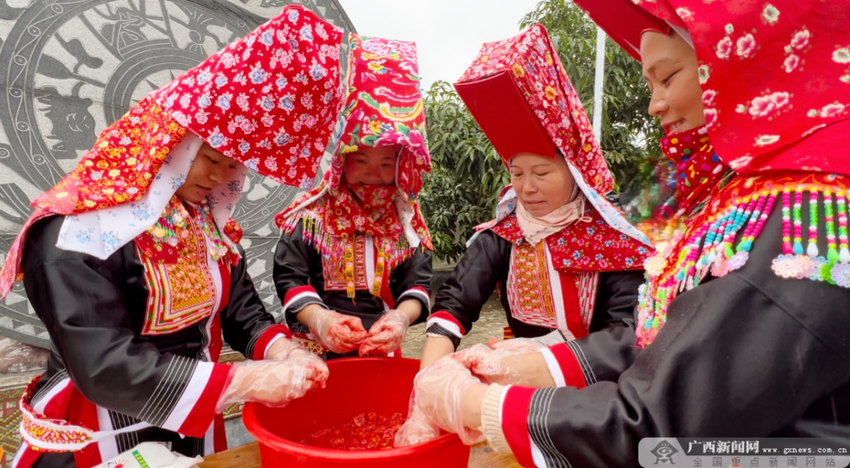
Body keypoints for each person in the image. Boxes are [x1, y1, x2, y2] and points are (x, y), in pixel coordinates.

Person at [401, 2, 850, 465]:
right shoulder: (750, 196)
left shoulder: (808, 218)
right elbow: (664, 341)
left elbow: (664, 418)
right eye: (516, 174)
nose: (655, 103)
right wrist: (523, 365)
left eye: (668, 77)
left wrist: (484, 404)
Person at [4, 6, 345, 467]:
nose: (222, 177)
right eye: (211, 158)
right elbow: (101, 362)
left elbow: (241, 311)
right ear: (171, 142)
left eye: (235, 164)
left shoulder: (206, 225)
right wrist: (240, 382)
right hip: (97, 430)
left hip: (193, 425)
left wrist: (281, 348)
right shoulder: (76, 231)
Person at [416, 24, 653, 371]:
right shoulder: (505, 234)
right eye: (517, 174)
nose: (526, 188)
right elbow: (456, 300)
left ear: (576, 173)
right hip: (516, 381)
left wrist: (540, 361)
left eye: (541, 173)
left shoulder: (613, 240)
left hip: (596, 391)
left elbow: (624, 332)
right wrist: (427, 378)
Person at [273, 34, 433, 360]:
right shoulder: (311, 215)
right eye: (361, 160)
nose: (373, 172)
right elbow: (290, 274)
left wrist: (400, 318)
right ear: (342, 160)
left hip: (380, 348)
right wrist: (320, 319)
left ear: (400, 167)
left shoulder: (406, 222)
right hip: (314, 348)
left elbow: (417, 282)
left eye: (386, 163)